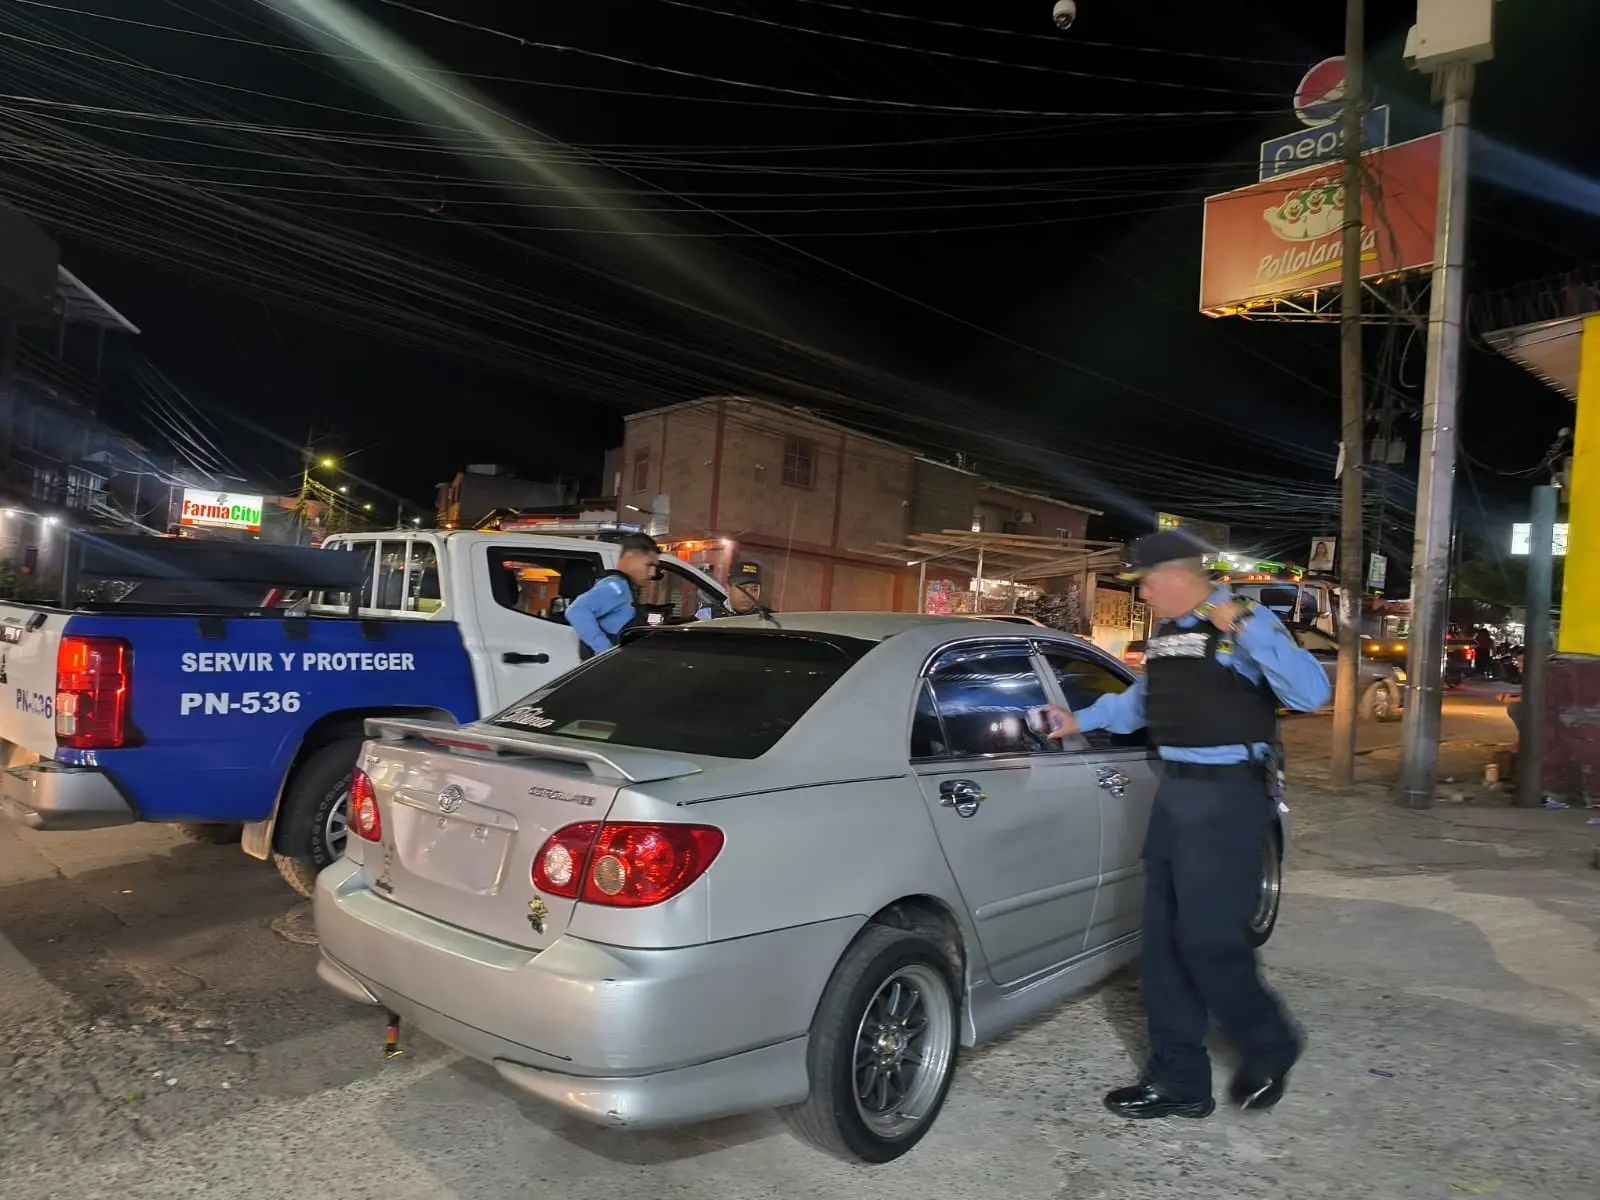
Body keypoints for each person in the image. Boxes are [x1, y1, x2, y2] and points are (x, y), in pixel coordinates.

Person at [1036, 530, 1330, 1121]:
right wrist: (1078, 720)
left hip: (1229, 798)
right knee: (1164, 945)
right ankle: (1180, 1082)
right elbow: (1142, 704)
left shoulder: (1242, 622)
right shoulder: (1172, 634)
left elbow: (1312, 691)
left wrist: (1241, 627)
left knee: (1209, 942)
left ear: (1180, 574)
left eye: (1147, 580)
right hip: (1177, 795)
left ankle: (1271, 1042)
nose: (1142, 592)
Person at [564, 533, 660, 659]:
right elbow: (576, 611)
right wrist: (607, 653)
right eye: (649, 565)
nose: (653, 573)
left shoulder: (624, 587)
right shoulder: (616, 587)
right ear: (630, 559)